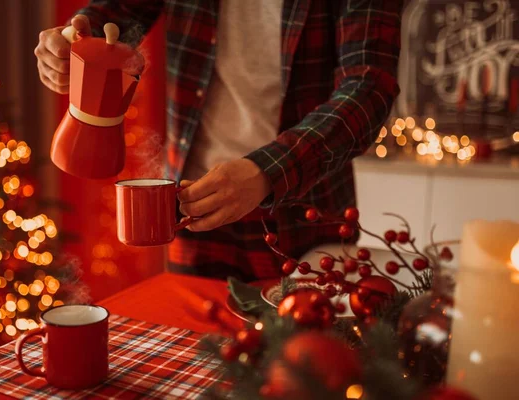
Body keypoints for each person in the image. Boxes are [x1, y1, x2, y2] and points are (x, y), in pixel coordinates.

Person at [35, 0, 402, 282]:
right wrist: (71, 43)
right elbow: (119, 14)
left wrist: (265, 172)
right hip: (191, 207)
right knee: (196, 360)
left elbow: (369, 87)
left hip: (305, 209)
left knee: (306, 369)